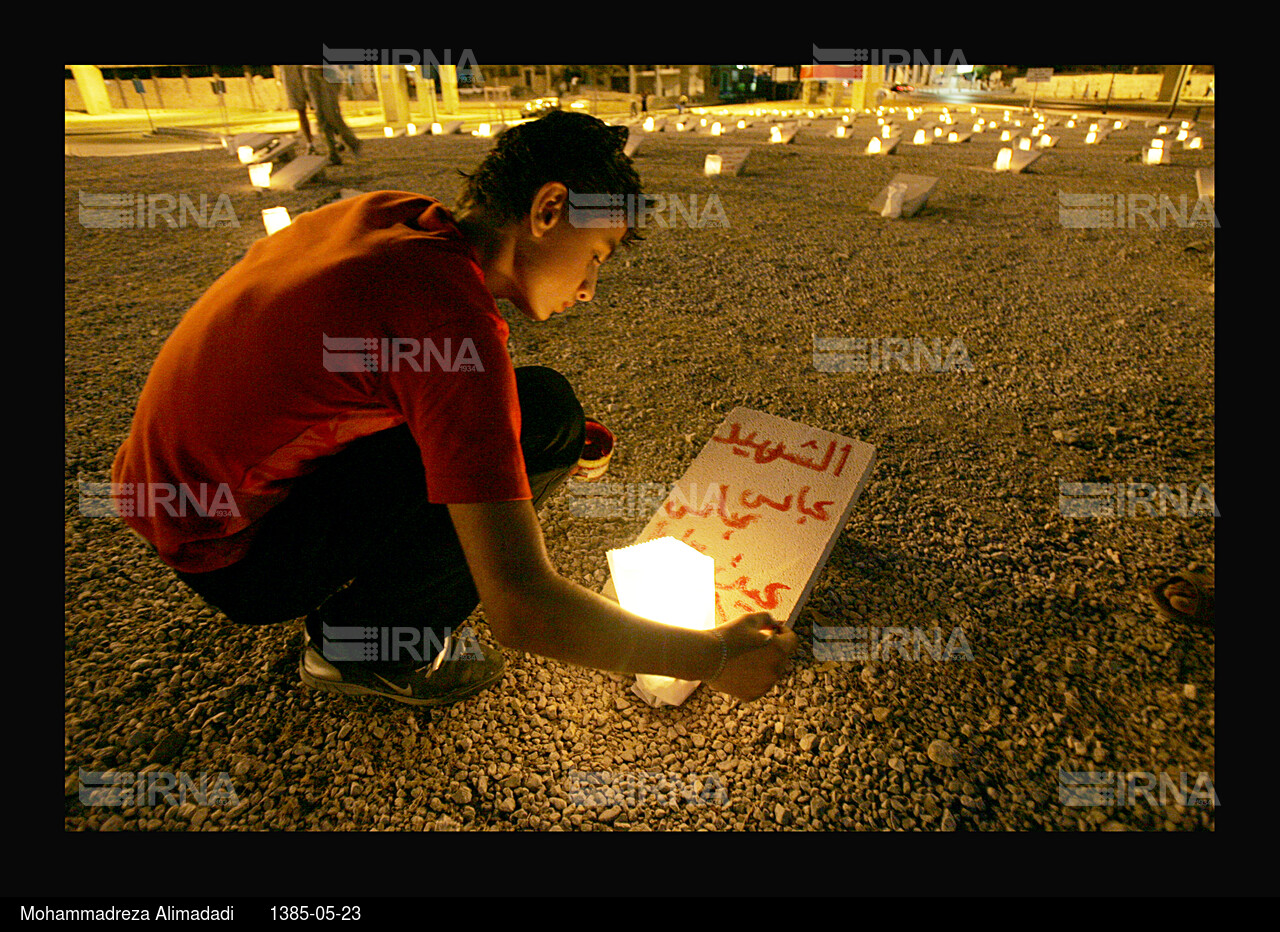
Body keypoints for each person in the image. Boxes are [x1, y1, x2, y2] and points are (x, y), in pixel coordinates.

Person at [112, 111, 795, 710]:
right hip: (232, 556)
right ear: (548, 209)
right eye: (595, 255)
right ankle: (361, 649)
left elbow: (359, 373)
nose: (590, 288)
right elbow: (522, 607)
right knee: (542, 411)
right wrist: (715, 657)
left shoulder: (396, 216)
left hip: (167, 499)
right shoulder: (451, 329)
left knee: (539, 415)